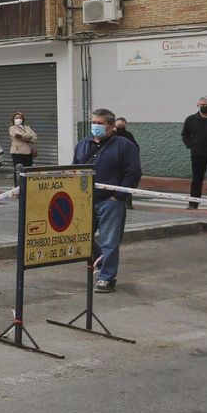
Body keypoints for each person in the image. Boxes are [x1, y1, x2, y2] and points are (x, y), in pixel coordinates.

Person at [73, 108, 143, 293]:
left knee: (110, 241)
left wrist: (117, 196)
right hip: (86, 200)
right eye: (94, 122)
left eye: (100, 123)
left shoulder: (124, 145)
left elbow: (133, 172)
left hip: (111, 201)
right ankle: (102, 262)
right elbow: (75, 170)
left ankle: (106, 277)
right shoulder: (83, 144)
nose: (95, 126)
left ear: (111, 126)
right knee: (82, 237)